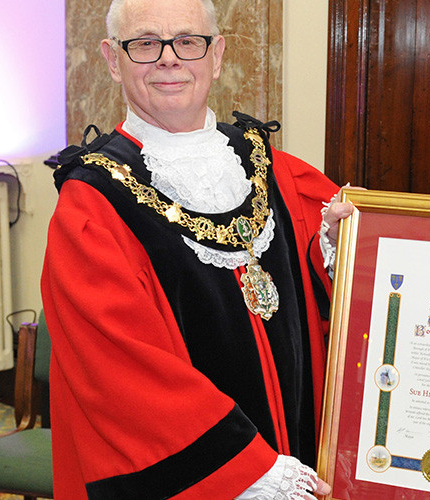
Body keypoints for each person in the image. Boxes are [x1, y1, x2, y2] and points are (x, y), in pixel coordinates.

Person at [41, 0, 353, 497]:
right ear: (111, 58)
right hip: (207, 476)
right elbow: (119, 367)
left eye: (188, 41)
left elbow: (316, 295)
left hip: (303, 455)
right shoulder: (93, 203)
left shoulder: (273, 167)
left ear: (218, 54)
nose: (170, 58)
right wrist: (247, 467)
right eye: (145, 43)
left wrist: (340, 252)